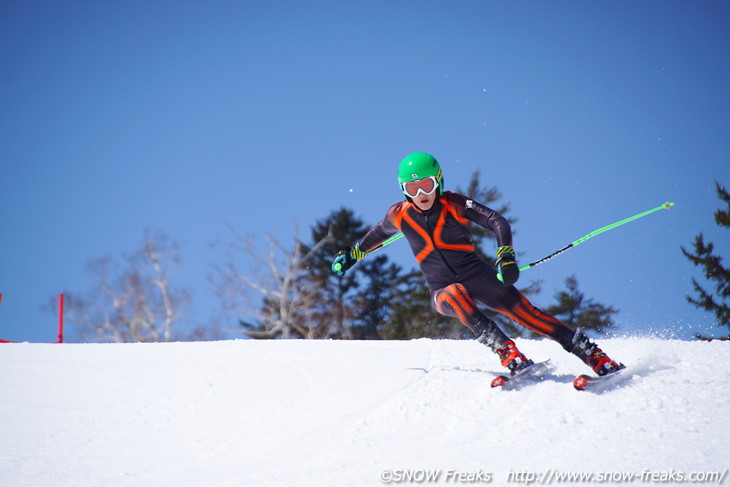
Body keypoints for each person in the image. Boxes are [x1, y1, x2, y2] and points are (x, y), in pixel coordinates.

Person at [331, 152, 623, 377]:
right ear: (403, 190)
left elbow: (497, 221)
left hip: (478, 274)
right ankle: (507, 351)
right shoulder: (398, 214)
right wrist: (351, 255)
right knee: (454, 293)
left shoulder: (454, 203)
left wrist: (505, 255)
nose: (421, 195)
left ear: (439, 182)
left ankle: (595, 356)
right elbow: (376, 236)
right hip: (442, 290)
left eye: (427, 185)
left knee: (526, 314)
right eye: (413, 188)